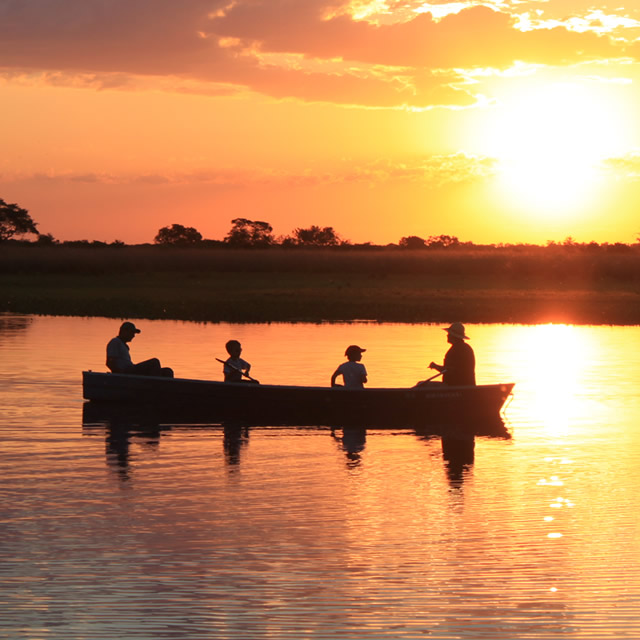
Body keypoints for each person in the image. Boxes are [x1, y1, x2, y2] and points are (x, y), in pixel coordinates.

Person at [106, 321, 174, 377]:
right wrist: (119, 374)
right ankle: (154, 386)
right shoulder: (115, 342)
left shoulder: (123, 345)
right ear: (124, 331)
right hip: (125, 372)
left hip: (130, 370)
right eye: (131, 332)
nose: (133, 335)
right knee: (154, 362)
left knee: (167, 371)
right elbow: (109, 362)